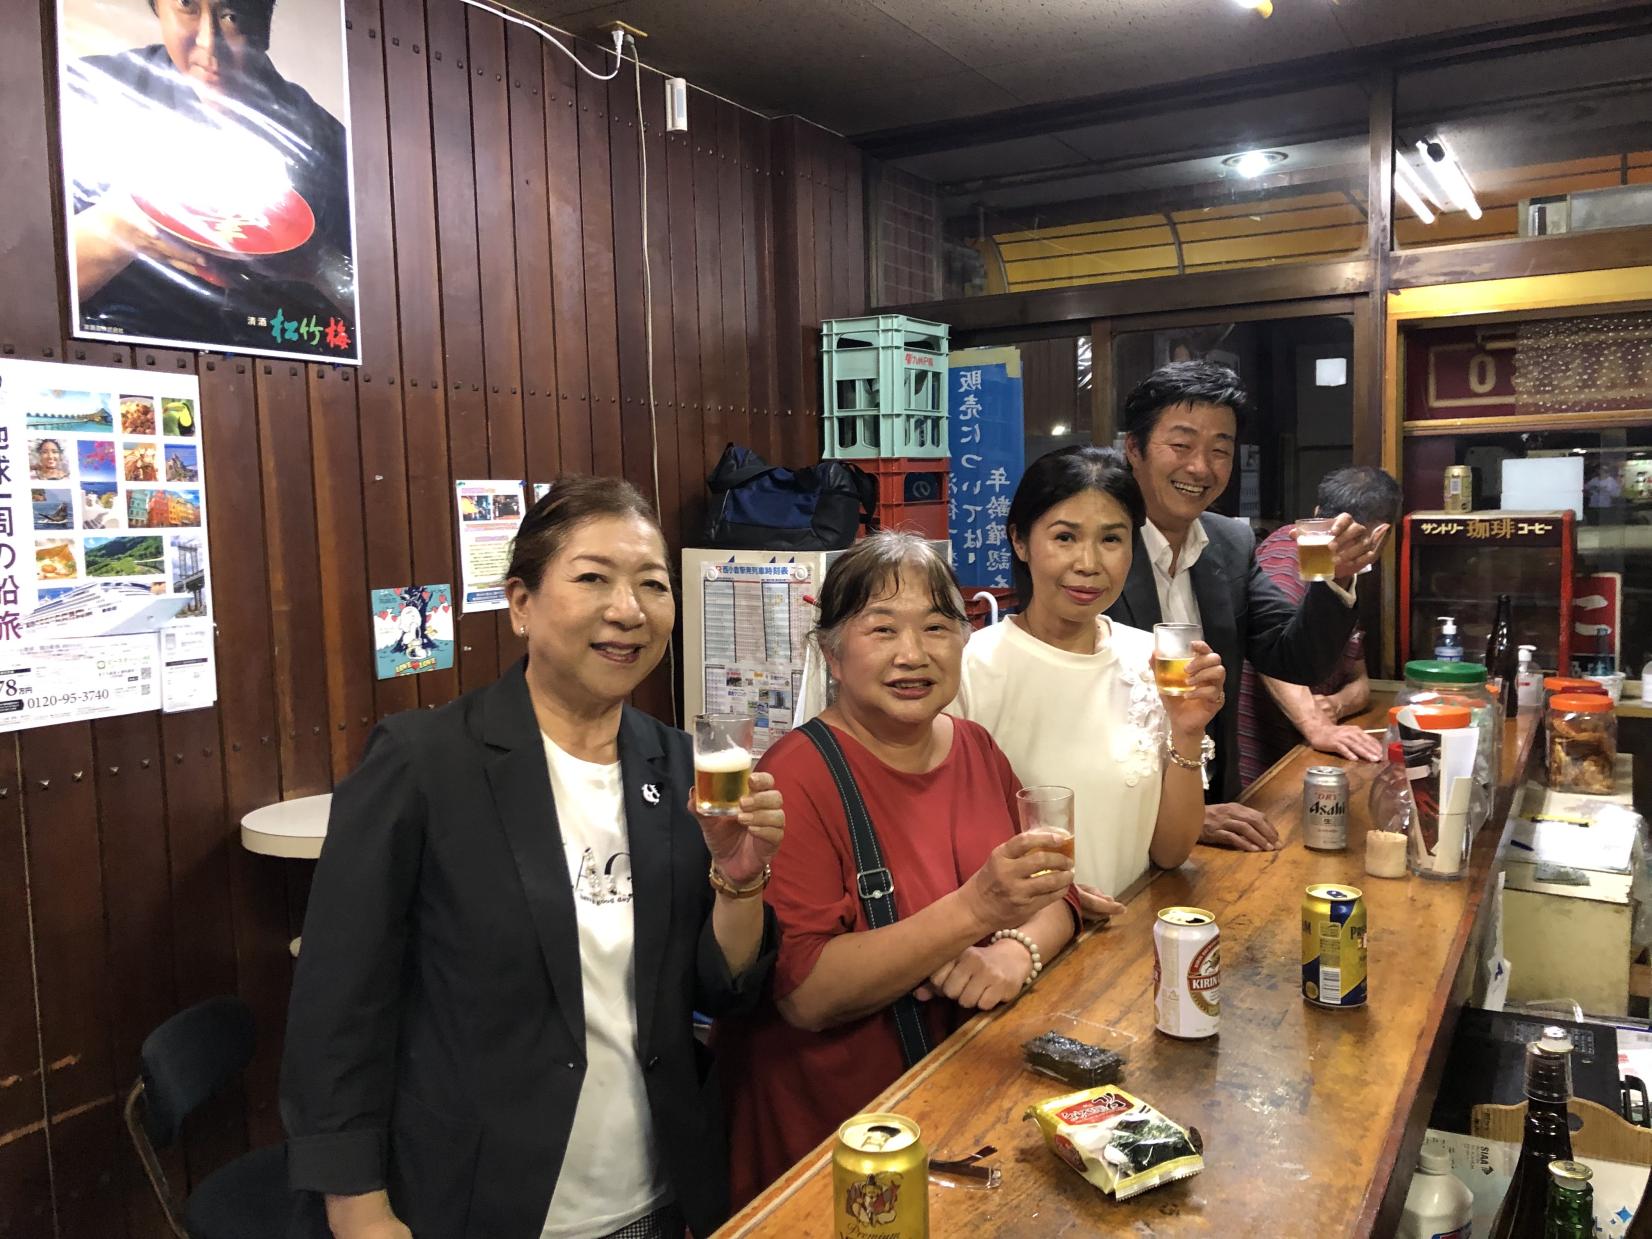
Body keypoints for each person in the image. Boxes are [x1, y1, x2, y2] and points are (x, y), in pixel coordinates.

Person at [282, 477, 783, 1239]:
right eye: (593, 578)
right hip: (476, 1203)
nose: (629, 609)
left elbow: (721, 989)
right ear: (520, 603)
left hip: (657, 1197)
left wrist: (739, 880)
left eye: (652, 583)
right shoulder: (425, 764)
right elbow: (338, 1005)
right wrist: (358, 1209)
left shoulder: (681, 766)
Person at [719, 533, 1082, 1208]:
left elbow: (1056, 898)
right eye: (882, 629)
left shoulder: (974, 745)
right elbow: (807, 994)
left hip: (966, 1108)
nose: (913, 654)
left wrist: (1014, 949)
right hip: (842, 1139)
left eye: (937, 627)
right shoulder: (792, 778)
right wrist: (974, 913)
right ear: (832, 652)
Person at [1105, 362, 1388, 851]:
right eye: (1181, 445)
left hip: (1223, 810)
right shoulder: (1097, 548)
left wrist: (1333, 579)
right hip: (1118, 826)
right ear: (1134, 448)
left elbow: (1292, 657)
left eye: (1220, 450)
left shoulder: (1229, 542)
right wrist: (1175, 813)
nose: (1201, 467)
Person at [952, 446, 1225, 899]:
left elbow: (1171, 853)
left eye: (1111, 540)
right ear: (1020, 541)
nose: (1089, 564)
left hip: (1120, 948)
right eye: (1065, 537)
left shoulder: (1151, 663)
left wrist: (1188, 730)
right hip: (1011, 949)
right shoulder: (972, 668)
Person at [64, 0, 353, 352]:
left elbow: (388, 323)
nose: (208, 43)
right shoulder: (87, 94)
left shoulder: (326, 143)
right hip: (133, 377)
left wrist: (321, 266)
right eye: (187, 7)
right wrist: (118, 231)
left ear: (264, 24)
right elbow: (22, 298)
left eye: (232, 15)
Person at [1237, 466, 1403, 785]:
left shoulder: (1344, 576)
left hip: (1305, 758)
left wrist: (1333, 705)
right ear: (1381, 534)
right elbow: (1270, 651)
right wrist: (1317, 725)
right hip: (1265, 764)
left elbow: (1360, 681)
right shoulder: (1288, 559)